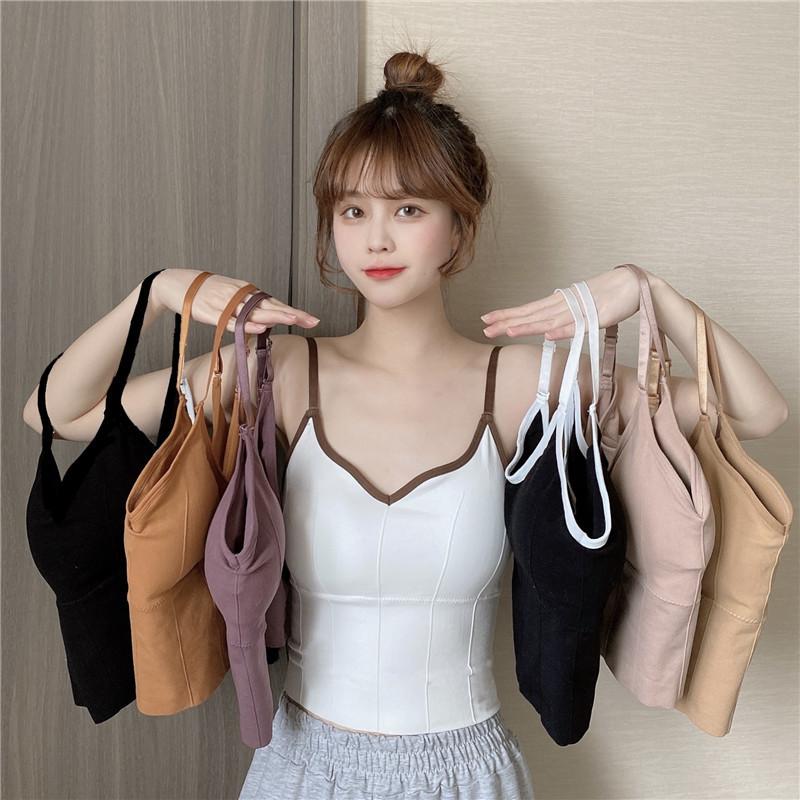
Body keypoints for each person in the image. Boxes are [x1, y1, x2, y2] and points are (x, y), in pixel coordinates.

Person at [23, 48, 789, 800]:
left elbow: (758, 412)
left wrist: (651, 294)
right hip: (300, 771)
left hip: (469, 775)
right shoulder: (279, 374)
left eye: (409, 210)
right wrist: (160, 293)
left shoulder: (523, 385)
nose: (377, 238)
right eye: (352, 211)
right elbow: (57, 414)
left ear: (459, 229)